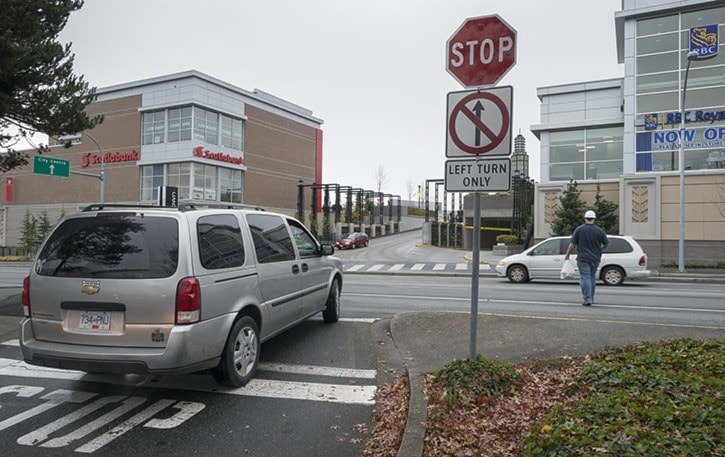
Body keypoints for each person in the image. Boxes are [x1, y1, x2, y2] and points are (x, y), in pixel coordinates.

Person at [564, 210, 609, 306]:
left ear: (585, 218)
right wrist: (600, 249)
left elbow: (572, 244)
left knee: (585, 277)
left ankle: (587, 299)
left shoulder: (579, 230)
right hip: (595, 258)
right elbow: (606, 244)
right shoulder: (599, 231)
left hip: (583, 258)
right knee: (591, 277)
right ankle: (591, 298)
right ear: (594, 219)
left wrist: (567, 254)